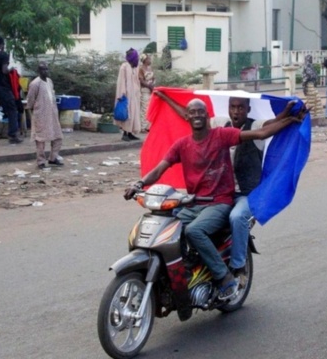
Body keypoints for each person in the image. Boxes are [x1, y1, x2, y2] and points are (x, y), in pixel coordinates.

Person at [125, 98, 301, 300]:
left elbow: (262, 132)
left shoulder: (222, 135)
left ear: (208, 117)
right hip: (194, 202)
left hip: (219, 201)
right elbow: (158, 170)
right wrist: (139, 184)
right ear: (187, 117)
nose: (197, 115)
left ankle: (225, 276)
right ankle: (182, 270)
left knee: (195, 230)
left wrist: (290, 119)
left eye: (201, 112)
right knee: (166, 229)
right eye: (193, 112)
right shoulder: (182, 144)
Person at [26, 63, 64, 170]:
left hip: (52, 114)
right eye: (43, 70)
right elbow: (30, 100)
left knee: (58, 136)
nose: (45, 72)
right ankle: (41, 161)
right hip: (41, 114)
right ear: (39, 71)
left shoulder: (50, 82)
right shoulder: (35, 84)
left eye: (47, 69)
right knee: (40, 138)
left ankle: (53, 158)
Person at [114, 48, 141, 142]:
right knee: (127, 113)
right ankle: (125, 133)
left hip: (135, 94)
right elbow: (121, 81)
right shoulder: (124, 67)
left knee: (134, 113)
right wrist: (122, 93)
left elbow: (137, 80)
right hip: (126, 94)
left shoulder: (135, 67)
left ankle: (130, 133)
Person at [139, 53, 155, 132]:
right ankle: (143, 127)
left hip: (151, 90)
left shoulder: (150, 69)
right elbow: (141, 80)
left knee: (150, 108)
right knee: (144, 108)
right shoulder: (141, 69)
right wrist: (149, 86)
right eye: (148, 59)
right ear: (144, 60)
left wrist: (153, 85)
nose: (150, 60)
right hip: (145, 90)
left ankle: (148, 126)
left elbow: (153, 78)